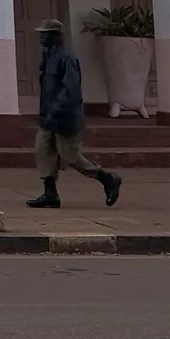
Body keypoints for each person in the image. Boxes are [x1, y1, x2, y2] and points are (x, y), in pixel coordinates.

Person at [27, 19, 122, 209]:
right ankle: (50, 193)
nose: (40, 38)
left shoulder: (67, 58)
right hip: (48, 117)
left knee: (70, 155)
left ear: (55, 36)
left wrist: (55, 111)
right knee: (43, 151)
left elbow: (70, 90)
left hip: (65, 117)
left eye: (44, 34)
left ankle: (107, 178)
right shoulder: (47, 56)